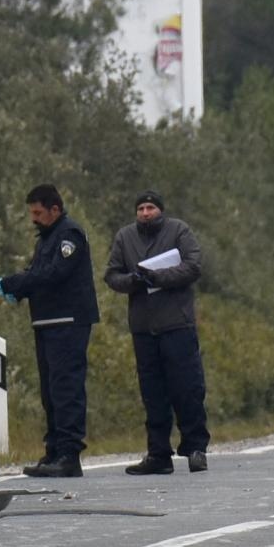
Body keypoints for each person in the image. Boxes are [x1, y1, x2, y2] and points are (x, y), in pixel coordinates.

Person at [0, 184, 100, 478]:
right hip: (45, 322)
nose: (34, 218)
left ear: (55, 209)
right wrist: (20, 289)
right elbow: (38, 273)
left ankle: (69, 453)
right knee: (50, 391)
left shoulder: (70, 235)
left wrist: (17, 282)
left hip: (68, 322)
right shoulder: (46, 239)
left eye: (38, 212)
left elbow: (56, 273)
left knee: (66, 388)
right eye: (32, 213)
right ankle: (54, 448)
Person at [104, 190, 211, 475]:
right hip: (143, 327)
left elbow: (193, 266)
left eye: (150, 207)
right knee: (152, 393)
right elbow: (111, 275)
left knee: (187, 389)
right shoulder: (125, 237)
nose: (145, 213)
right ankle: (158, 453)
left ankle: (196, 448)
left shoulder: (179, 230)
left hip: (177, 324)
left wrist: (157, 277)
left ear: (160, 210)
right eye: (140, 208)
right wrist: (133, 281)